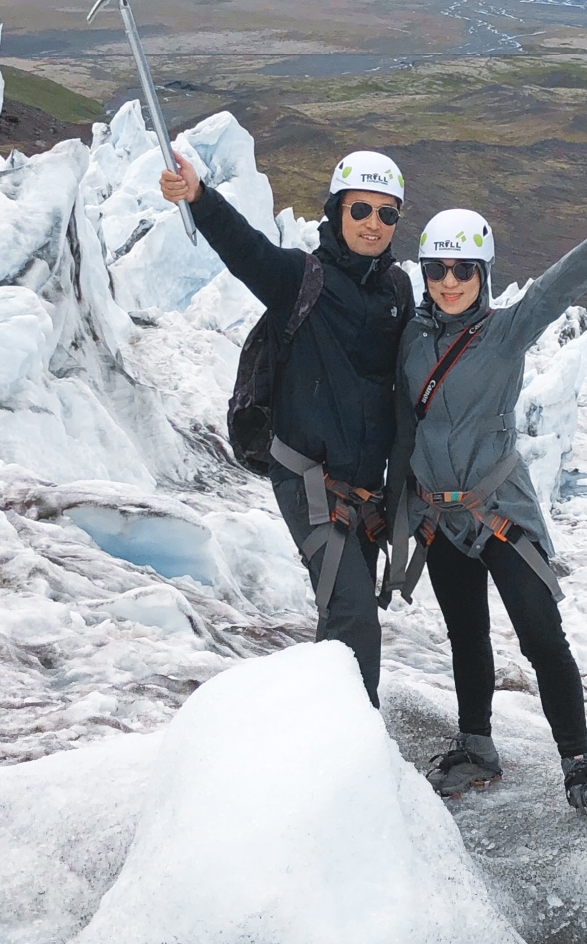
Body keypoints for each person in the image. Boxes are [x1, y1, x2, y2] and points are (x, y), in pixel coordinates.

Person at [386, 199, 587, 815]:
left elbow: (556, 286)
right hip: (440, 522)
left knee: (542, 639)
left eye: (464, 269)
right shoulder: (408, 338)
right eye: (437, 270)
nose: (450, 282)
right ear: (424, 274)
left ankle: (578, 763)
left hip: (502, 515)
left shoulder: (505, 332)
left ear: (483, 275)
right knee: (466, 636)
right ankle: (477, 747)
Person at [160, 148, 414, 705]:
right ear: (336, 212)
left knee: (340, 614)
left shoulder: (397, 291)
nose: (373, 224)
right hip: (308, 479)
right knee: (353, 616)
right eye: (361, 210)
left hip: (365, 490)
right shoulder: (302, 278)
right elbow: (246, 249)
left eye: (386, 213)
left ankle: (311, 735)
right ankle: (354, 751)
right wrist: (200, 198)